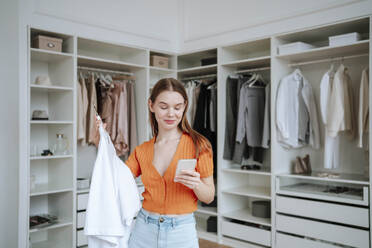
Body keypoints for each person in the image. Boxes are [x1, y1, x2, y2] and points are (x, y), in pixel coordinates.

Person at [95, 78, 215, 248]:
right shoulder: (142, 151)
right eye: (164, 107)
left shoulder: (199, 145)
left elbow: (209, 196)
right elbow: (115, 179)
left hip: (181, 232)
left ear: (185, 106)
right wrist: (104, 140)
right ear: (151, 106)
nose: (171, 114)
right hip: (144, 229)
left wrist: (196, 184)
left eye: (177, 107)